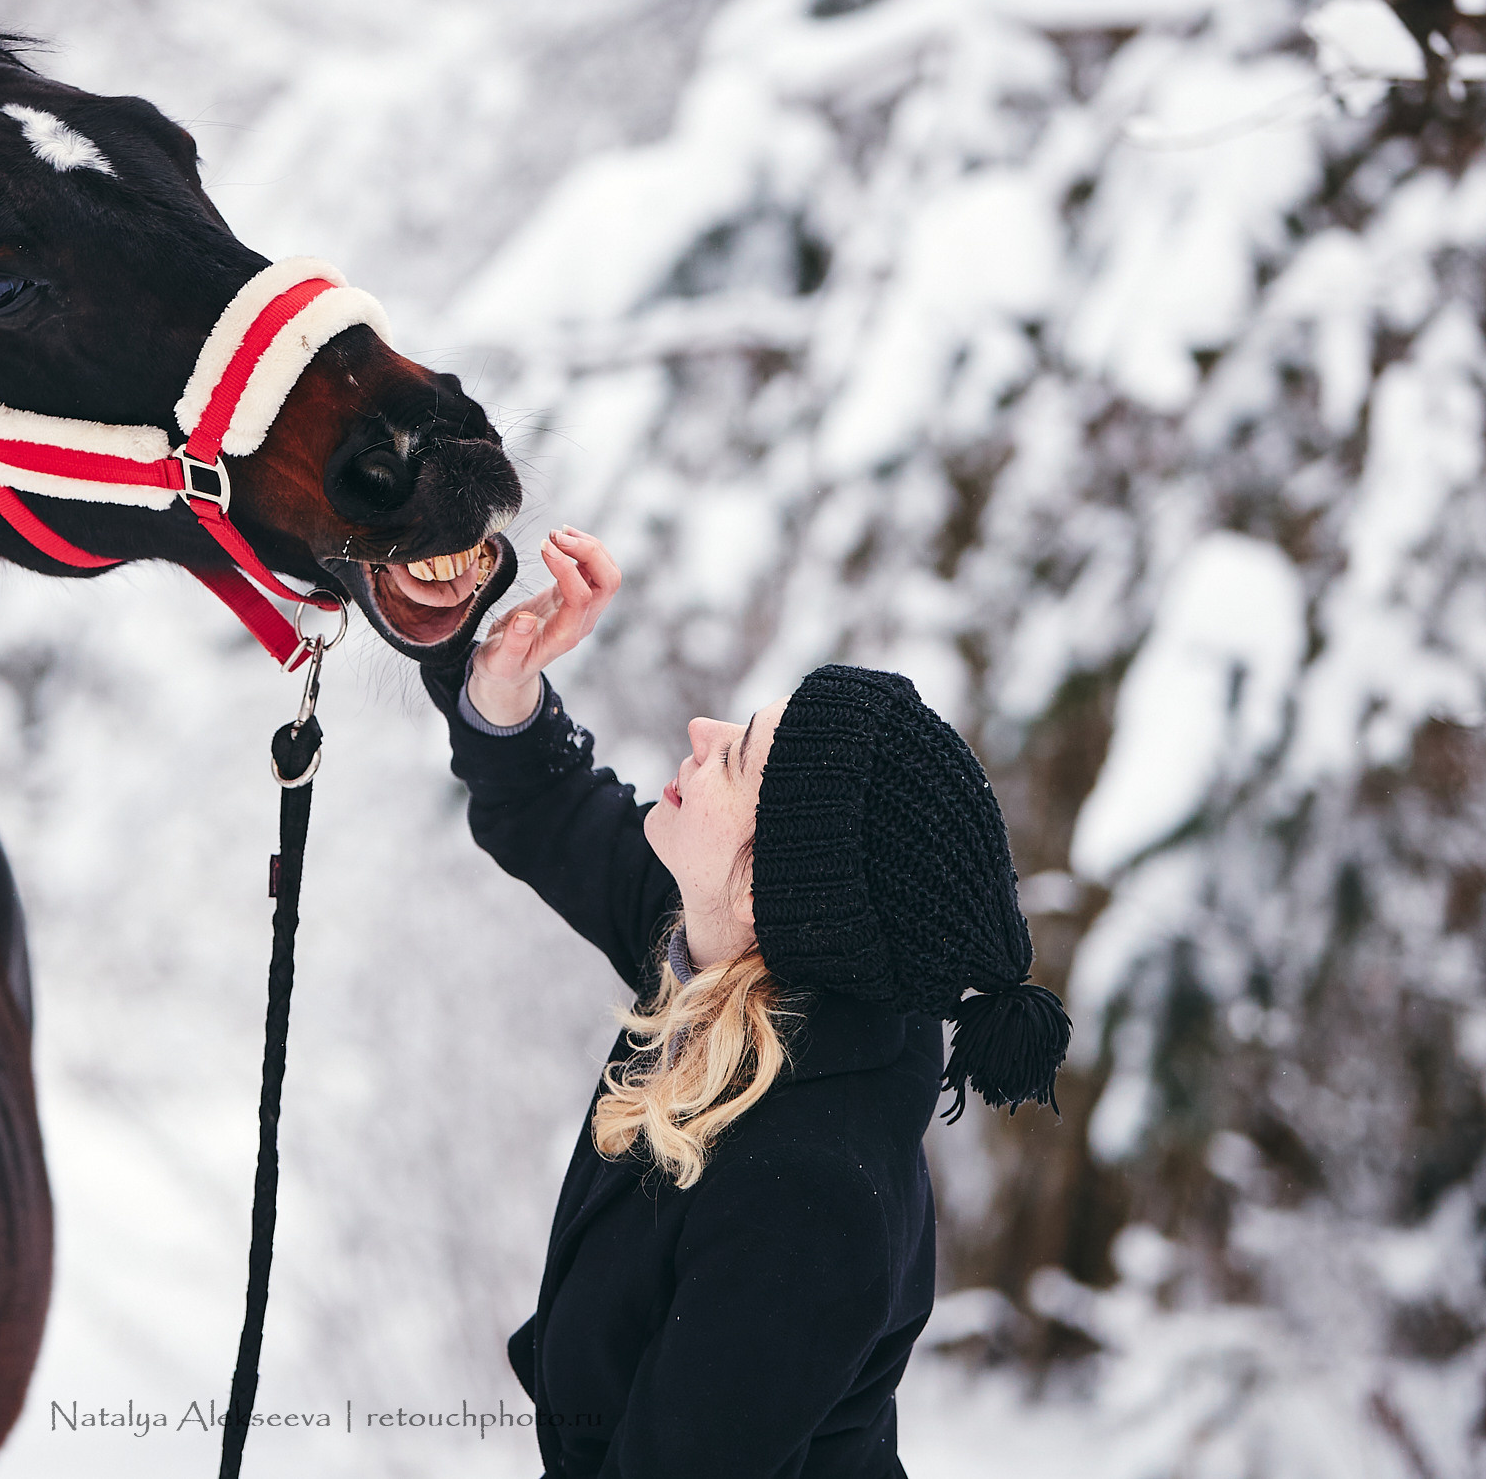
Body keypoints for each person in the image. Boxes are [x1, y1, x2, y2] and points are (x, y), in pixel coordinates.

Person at [422, 526, 1070, 1478]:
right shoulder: (753, 960)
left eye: (738, 757)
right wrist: (500, 676)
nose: (702, 732)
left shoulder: (811, 1202)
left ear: (776, 886)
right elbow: (554, 812)